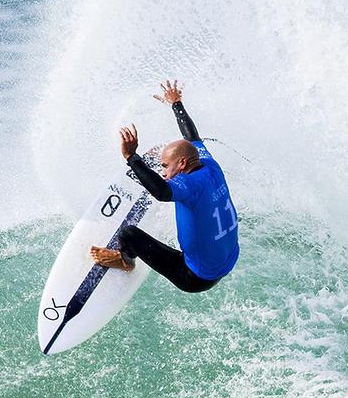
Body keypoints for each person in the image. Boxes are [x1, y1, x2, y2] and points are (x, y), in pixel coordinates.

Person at [90, 80, 239, 293]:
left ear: (183, 163)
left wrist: (131, 157)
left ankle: (124, 261)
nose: (163, 172)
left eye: (166, 166)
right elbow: (192, 137)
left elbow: (161, 191)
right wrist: (176, 103)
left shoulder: (189, 185)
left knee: (128, 234)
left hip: (195, 277)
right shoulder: (210, 165)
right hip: (228, 258)